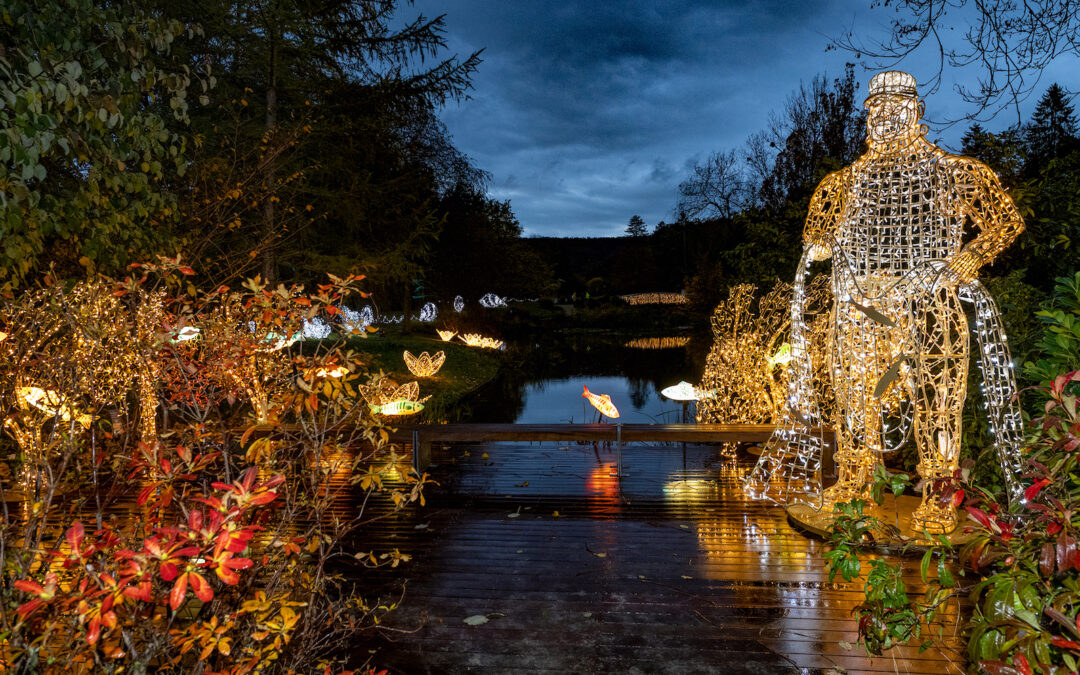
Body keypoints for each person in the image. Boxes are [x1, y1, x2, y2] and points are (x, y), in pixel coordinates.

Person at [787, 71, 1023, 533]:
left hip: (928, 304)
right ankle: (854, 481)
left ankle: (938, 494)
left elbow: (1005, 221)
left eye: (896, 111)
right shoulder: (841, 184)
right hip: (859, 310)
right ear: (867, 119)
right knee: (855, 399)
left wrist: (965, 260)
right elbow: (813, 236)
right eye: (877, 113)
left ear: (917, 113)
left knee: (936, 401)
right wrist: (820, 248)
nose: (886, 120)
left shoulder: (955, 172)